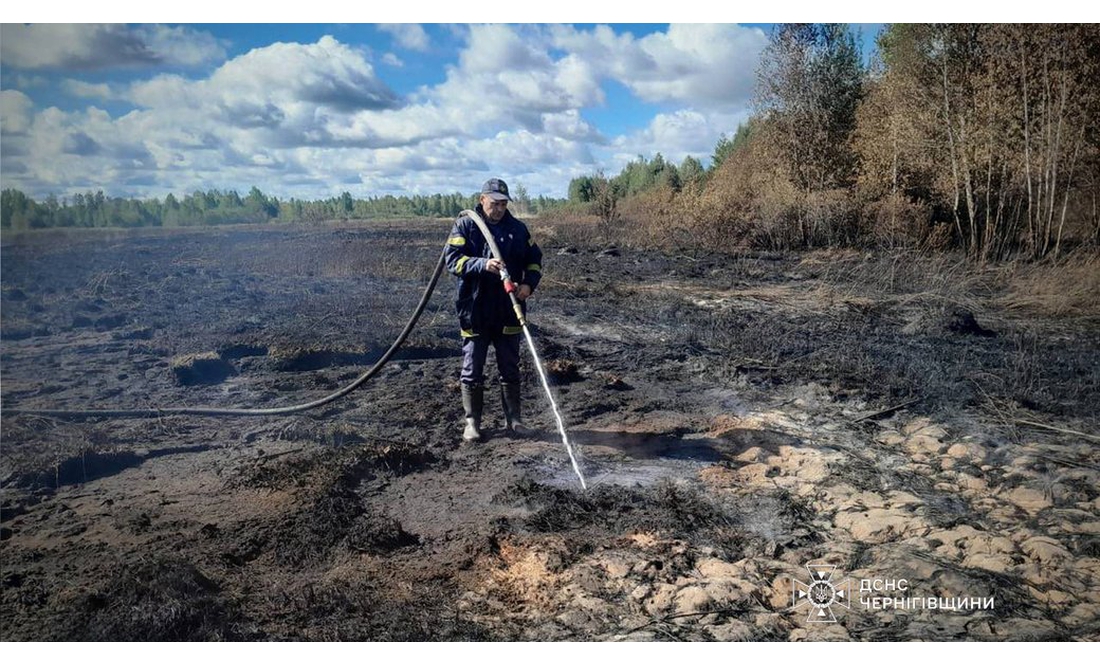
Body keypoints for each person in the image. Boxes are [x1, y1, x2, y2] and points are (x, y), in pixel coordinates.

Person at [444, 178, 543, 443]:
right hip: (474, 309)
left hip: (509, 308)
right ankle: (472, 423)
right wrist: (481, 264)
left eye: (503, 203)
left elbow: (535, 261)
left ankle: (515, 420)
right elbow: (452, 261)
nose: (498, 209)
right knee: (472, 366)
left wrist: (527, 285)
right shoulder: (466, 225)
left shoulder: (518, 229)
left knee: (510, 366)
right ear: (482, 199)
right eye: (494, 203)